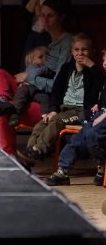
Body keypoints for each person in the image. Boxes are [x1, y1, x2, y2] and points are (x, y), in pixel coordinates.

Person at [0, 0, 73, 156]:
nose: (44, 19)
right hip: (34, 91)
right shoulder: (52, 43)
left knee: (5, 111)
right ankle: (1, 101)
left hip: (49, 103)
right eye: (42, 15)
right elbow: (40, 70)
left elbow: (59, 86)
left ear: (61, 17)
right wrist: (29, 75)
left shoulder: (68, 43)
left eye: (50, 15)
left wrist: (29, 77)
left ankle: (9, 154)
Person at [18, 33, 102, 164]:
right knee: (42, 123)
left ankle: (39, 150)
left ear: (92, 51)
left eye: (84, 49)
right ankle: (29, 155)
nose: (80, 53)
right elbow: (56, 91)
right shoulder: (66, 68)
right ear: (72, 51)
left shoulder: (95, 72)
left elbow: (101, 83)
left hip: (80, 112)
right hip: (64, 109)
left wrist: (91, 65)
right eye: (76, 49)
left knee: (56, 122)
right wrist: (53, 110)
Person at [46, 47, 106, 187]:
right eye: (103, 60)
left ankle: (101, 162)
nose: (104, 63)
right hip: (100, 114)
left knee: (92, 133)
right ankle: (63, 171)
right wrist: (98, 106)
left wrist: (103, 115)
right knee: (77, 138)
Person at [7, 44, 51, 128]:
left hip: (37, 91)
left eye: (47, 56)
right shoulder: (32, 67)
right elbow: (39, 72)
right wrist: (47, 68)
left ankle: (44, 116)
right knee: (21, 93)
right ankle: (15, 114)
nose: (45, 59)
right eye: (40, 57)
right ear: (31, 61)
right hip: (28, 87)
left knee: (44, 97)